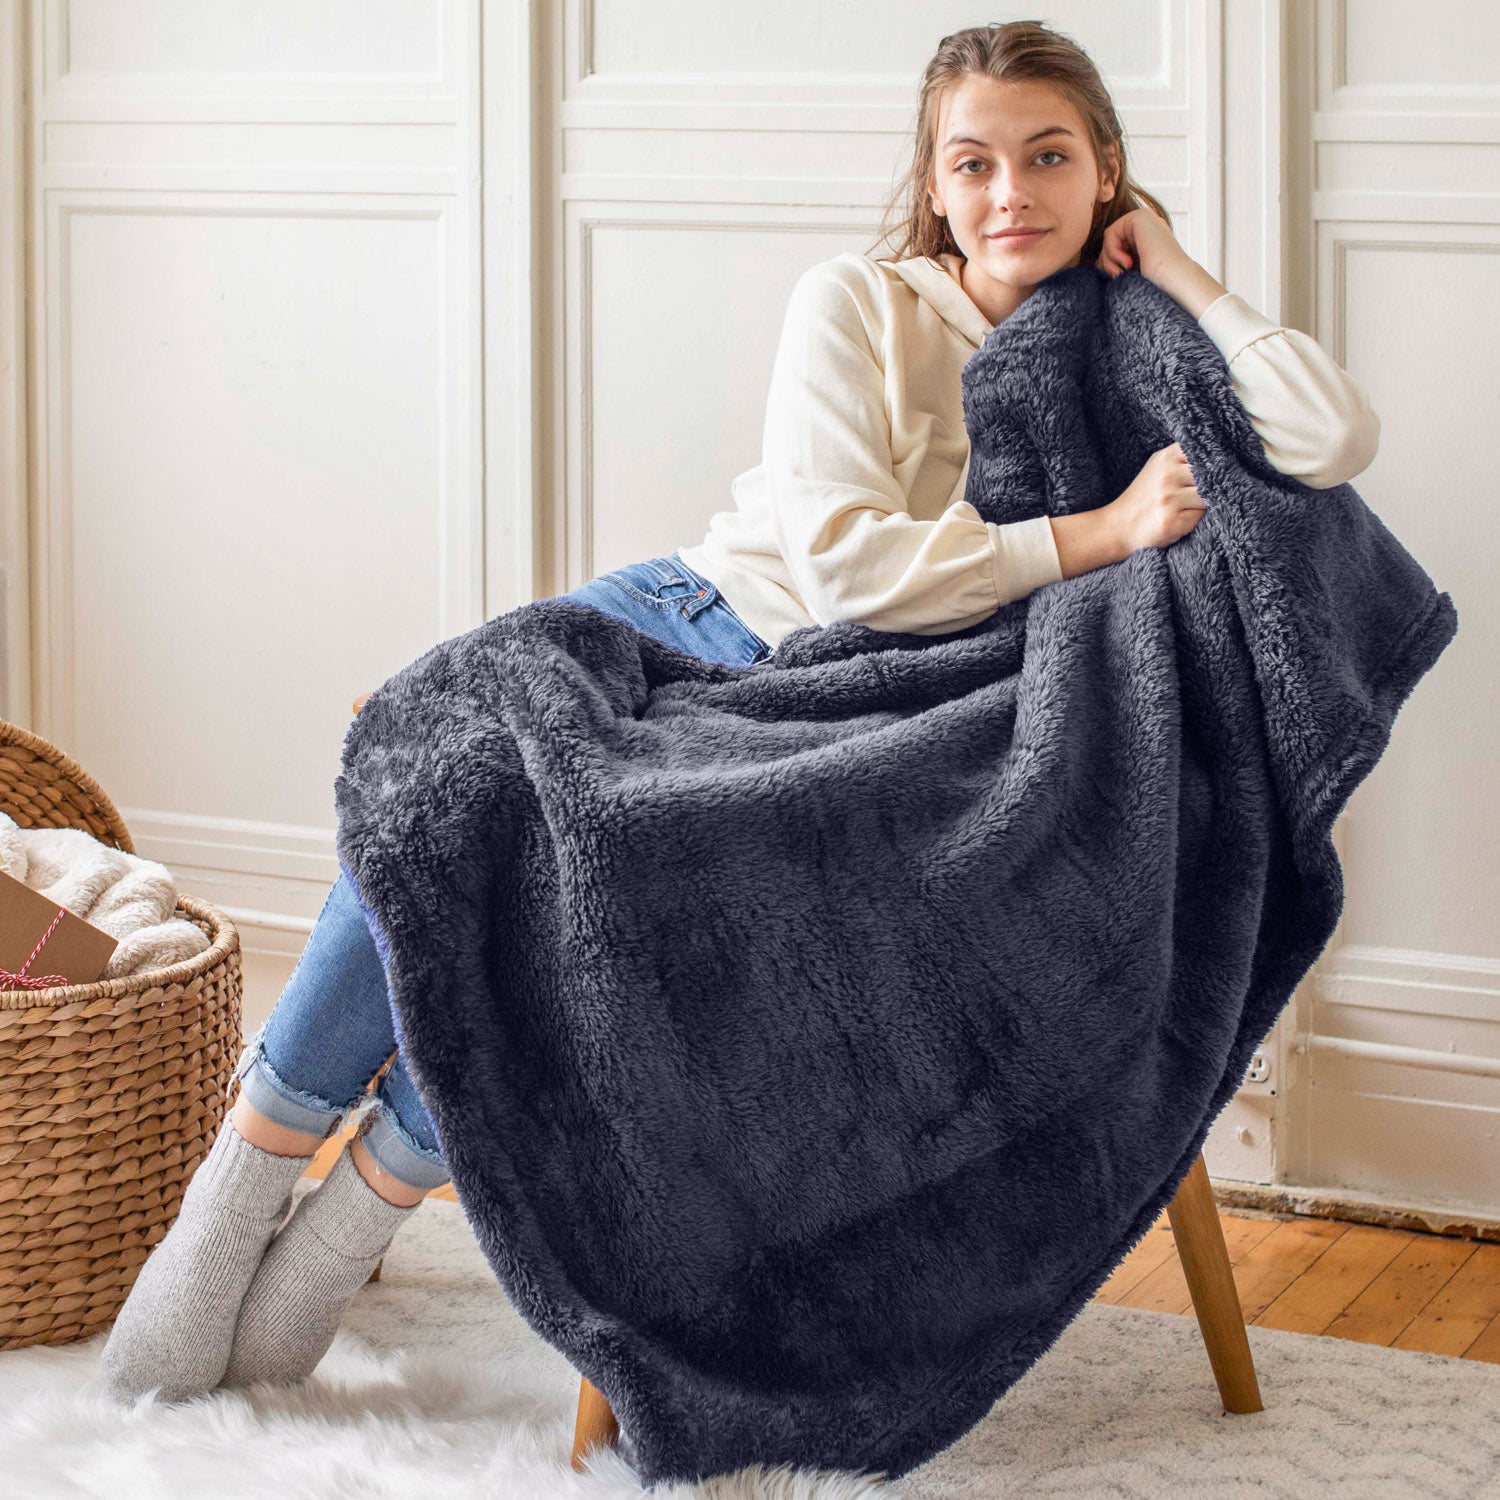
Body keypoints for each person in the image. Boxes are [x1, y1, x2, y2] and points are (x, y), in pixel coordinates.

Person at [100, 18, 1378, 1411]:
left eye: (1049, 157)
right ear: (937, 186)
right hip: (694, 622)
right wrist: (1096, 533)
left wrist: (1181, 266)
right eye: (976, 163)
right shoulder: (860, 303)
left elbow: (1329, 438)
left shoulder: (1135, 342)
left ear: (1107, 170)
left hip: (855, 705)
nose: (1013, 193)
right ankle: (237, 1193)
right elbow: (842, 566)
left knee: (598, 887)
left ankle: (360, 1214)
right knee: (450, 775)